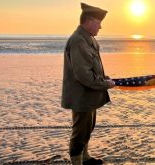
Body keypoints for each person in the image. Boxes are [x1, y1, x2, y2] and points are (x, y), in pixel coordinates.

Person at [61, 3, 115, 165]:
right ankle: (77, 161)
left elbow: (90, 67)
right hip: (81, 96)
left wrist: (102, 77)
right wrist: (105, 84)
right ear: (89, 21)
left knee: (88, 127)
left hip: (89, 94)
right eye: (98, 23)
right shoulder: (78, 41)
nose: (101, 27)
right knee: (80, 131)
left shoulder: (87, 38)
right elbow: (83, 75)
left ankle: (85, 157)